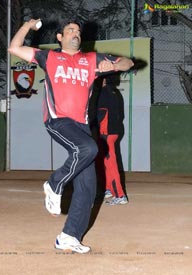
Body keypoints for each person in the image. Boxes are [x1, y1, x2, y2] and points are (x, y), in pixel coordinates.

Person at [8, 18, 134, 254]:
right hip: (58, 121)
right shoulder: (50, 58)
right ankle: (54, 183)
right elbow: (14, 48)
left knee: (87, 186)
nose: (75, 33)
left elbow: (128, 63)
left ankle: (68, 236)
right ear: (60, 37)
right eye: (70, 30)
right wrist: (26, 26)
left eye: (78, 31)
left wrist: (114, 65)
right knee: (89, 149)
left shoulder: (91, 60)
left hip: (82, 126)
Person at [96, 75, 128, 205]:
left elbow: (101, 113)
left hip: (106, 133)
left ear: (104, 80)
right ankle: (109, 188)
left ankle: (120, 195)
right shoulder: (116, 93)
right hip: (115, 131)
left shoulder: (103, 93)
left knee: (110, 164)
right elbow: (122, 115)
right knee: (105, 162)